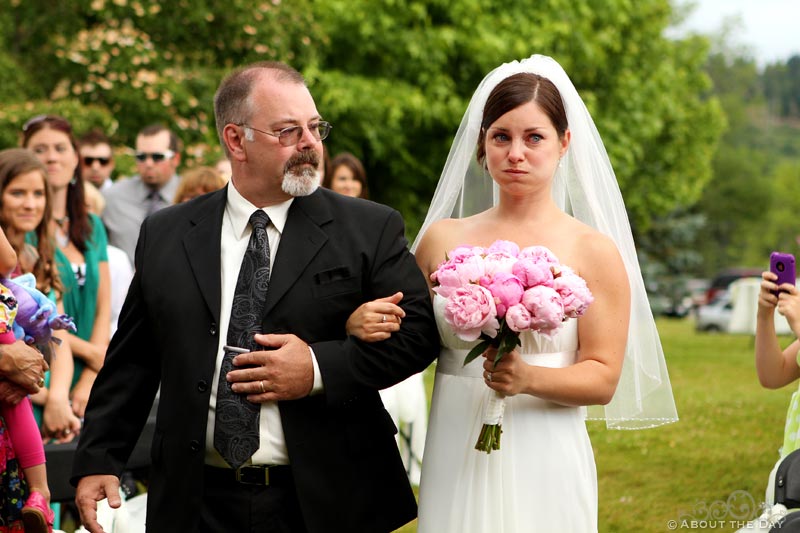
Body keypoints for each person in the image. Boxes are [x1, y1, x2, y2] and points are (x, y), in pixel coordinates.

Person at [71, 60, 439, 533]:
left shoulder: (368, 228)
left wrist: (317, 369)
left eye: (315, 127)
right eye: (287, 131)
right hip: (194, 500)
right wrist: (100, 455)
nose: (310, 142)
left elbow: (420, 334)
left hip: (326, 499)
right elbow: (133, 358)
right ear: (235, 139)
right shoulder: (166, 233)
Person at [348, 55, 678, 532]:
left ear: (564, 143)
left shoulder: (593, 250)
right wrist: (360, 324)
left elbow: (603, 379)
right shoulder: (442, 239)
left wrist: (526, 378)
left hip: (546, 443)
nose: (515, 152)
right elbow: (405, 339)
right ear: (482, 145)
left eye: (534, 137)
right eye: (500, 137)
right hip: (456, 439)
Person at [22, 115, 111, 420]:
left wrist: (89, 378)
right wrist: (94, 354)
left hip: (88, 380)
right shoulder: (21, 231)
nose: (51, 157)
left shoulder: (93, 226)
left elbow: (103, 306)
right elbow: (31, 316)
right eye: (40, 149)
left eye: (60, 148)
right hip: (41, 378)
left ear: (76, 158)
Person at [101, 123, 182, 263]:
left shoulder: (191, 196)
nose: (149, 163)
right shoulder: (112, 198)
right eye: (141, 157)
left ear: (175, 159)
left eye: (157, 157)